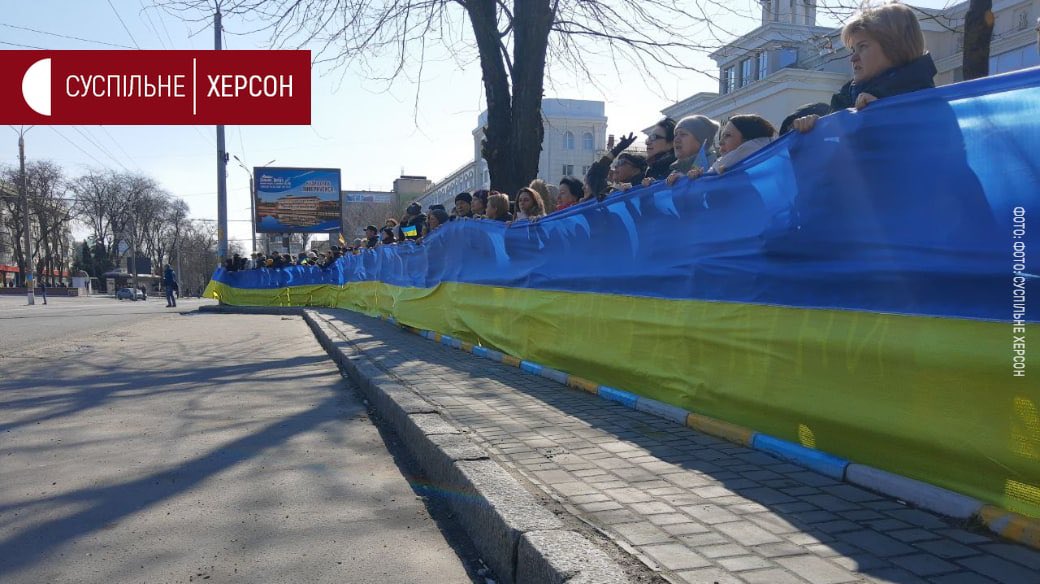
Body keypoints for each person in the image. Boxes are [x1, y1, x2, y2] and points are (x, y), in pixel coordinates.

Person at [793, 2, 936, 133]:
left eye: (862, 46)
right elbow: (835, 158)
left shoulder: (928, 106)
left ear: (894, 47)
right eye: (853, 50)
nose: (853, 58)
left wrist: (886, 116)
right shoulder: (845, 100)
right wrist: (815, 132)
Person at [706, 115, 776, 175]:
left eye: (727, 135)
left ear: (748, 142)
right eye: (721, 136)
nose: (720, 142)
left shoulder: (764, 174)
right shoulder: (719, 170)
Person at [664, 115, 720, 186]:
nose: (676, 140)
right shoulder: (674, 174)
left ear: (701, 140)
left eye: (683, 134)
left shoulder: (716, 167)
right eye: (675, 135)